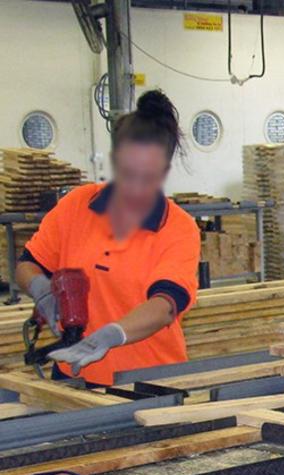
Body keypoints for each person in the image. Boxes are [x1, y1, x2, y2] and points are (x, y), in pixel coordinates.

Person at [16, 90, 201, 387]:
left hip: (147, 380)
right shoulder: (77, 205)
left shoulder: (178, 228)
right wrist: (42, 290)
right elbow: (29, 263)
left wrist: (112, 334)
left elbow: (165, 304)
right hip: (72, 373)